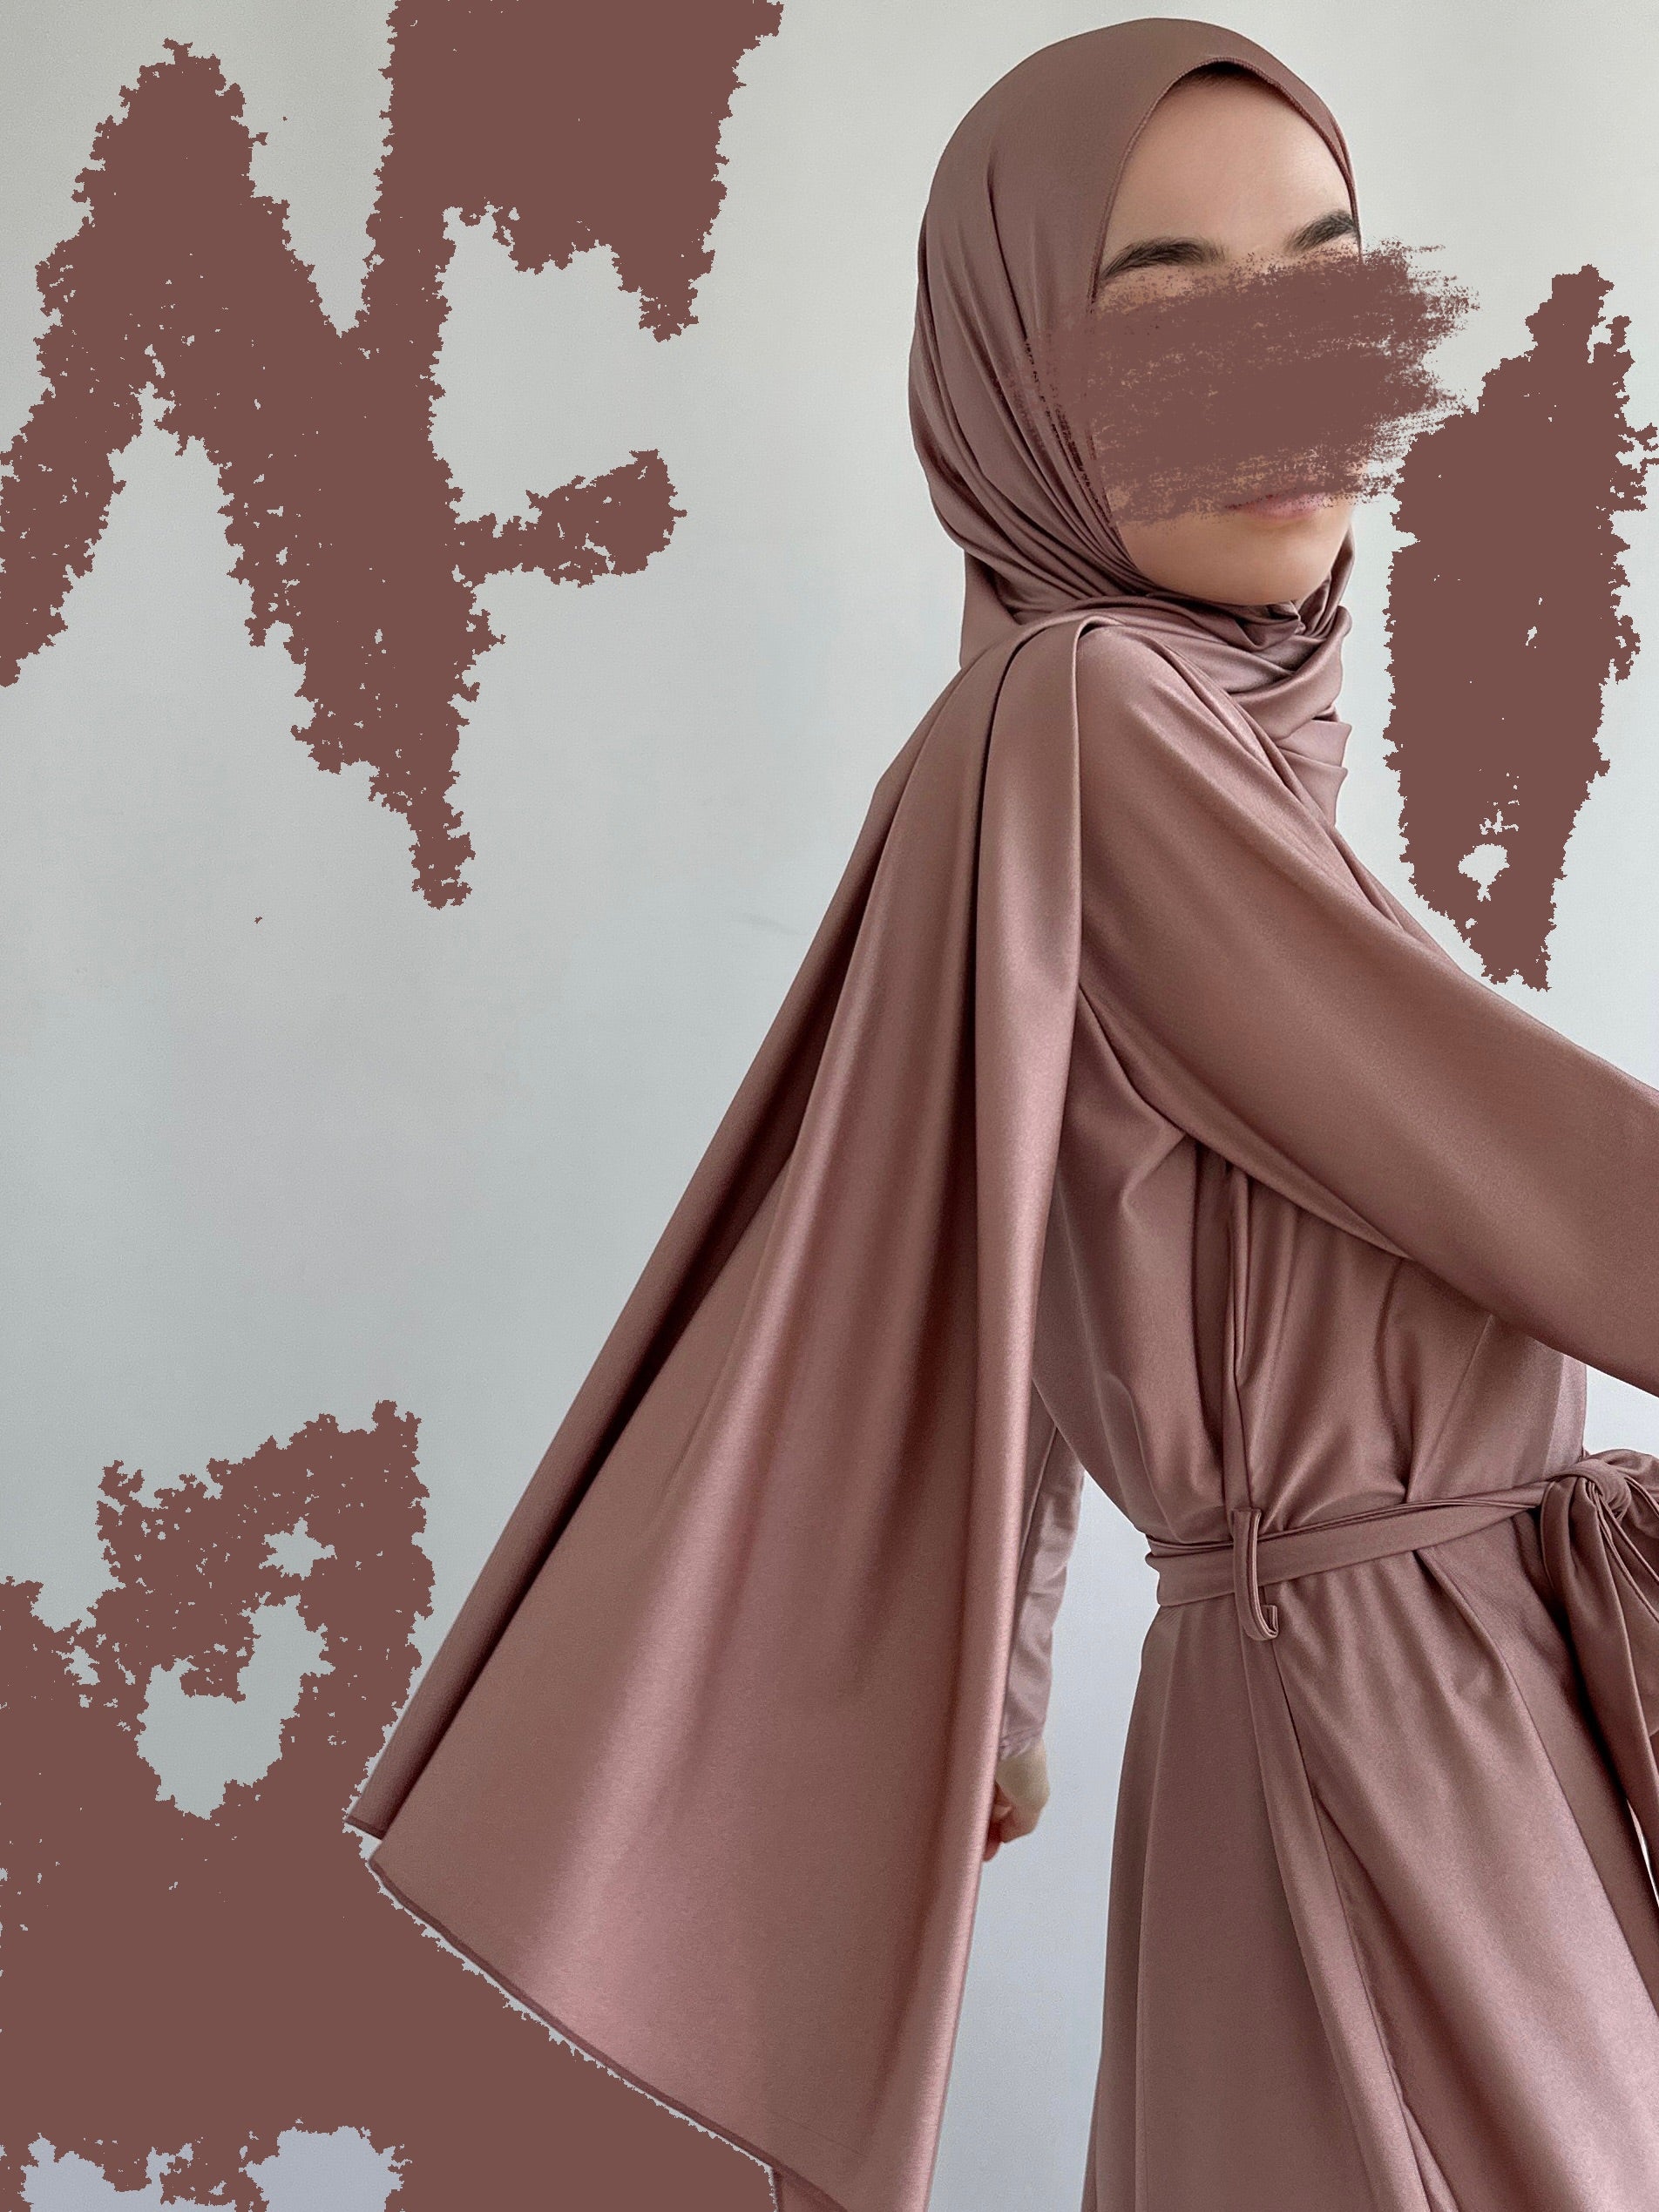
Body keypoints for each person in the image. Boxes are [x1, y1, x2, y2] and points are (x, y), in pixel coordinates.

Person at [348, 22, 1659, 2212]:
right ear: (1018, 389)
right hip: (1389, 1748)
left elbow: (1010, 1189)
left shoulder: (1143, 745)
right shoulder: (1093, 714)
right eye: (1164, 317)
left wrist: (1016, 1678)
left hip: (1408, 1720)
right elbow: (1529, 1173)